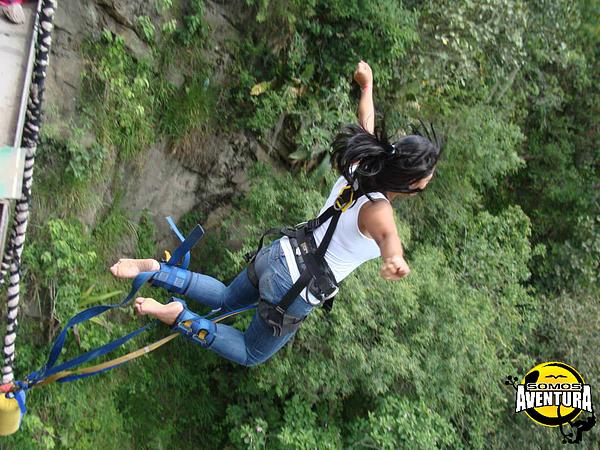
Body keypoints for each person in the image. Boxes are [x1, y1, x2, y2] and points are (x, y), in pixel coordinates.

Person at [110, 61, 442, 366]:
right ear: (413, 182)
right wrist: (393, 257)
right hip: (295, 286)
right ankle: (178, 316)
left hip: (281, 252)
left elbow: (365, 125)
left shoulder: (361, 165)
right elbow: (387, 234)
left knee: (227, 297)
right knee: (249, 352)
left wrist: (366, 87)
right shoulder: (379, 208)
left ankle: (156, 271)